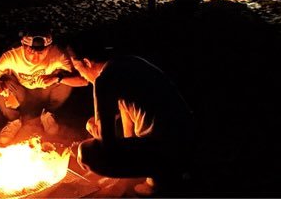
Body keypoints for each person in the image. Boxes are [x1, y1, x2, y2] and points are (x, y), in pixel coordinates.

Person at [65, 40, 194, 197]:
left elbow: (108, 142)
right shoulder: (129, 62)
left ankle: (162, 178)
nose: (82, 76)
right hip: (189, 137)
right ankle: (161, 175)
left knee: (86, 152)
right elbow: (127, 115)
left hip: (169, 150)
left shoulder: (104, 80)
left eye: (80, 70)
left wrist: (93, 128)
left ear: (86, 62)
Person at [0, 22, 83, 145]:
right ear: (23, 45)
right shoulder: (11, 55)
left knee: (66, 79)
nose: (35, 58)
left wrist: (57, 78)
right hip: (21, 93)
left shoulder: (57, 54)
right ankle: (14, 120)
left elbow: (82, 80)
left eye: (40, 53)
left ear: (49, 48)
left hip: (46, 91)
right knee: (3, 83)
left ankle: (48, 114)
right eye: (30, 51)